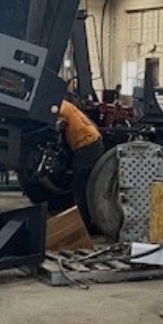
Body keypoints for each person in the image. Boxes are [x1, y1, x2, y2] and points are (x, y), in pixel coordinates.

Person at [51, 97, 104, 229]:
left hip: (88, 145)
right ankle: (87, 222)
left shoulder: (61, 107)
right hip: (90, 143)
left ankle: (86, 225)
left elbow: (56, 122)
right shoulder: (67, 106)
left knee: (81, 186)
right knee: (81, 184)